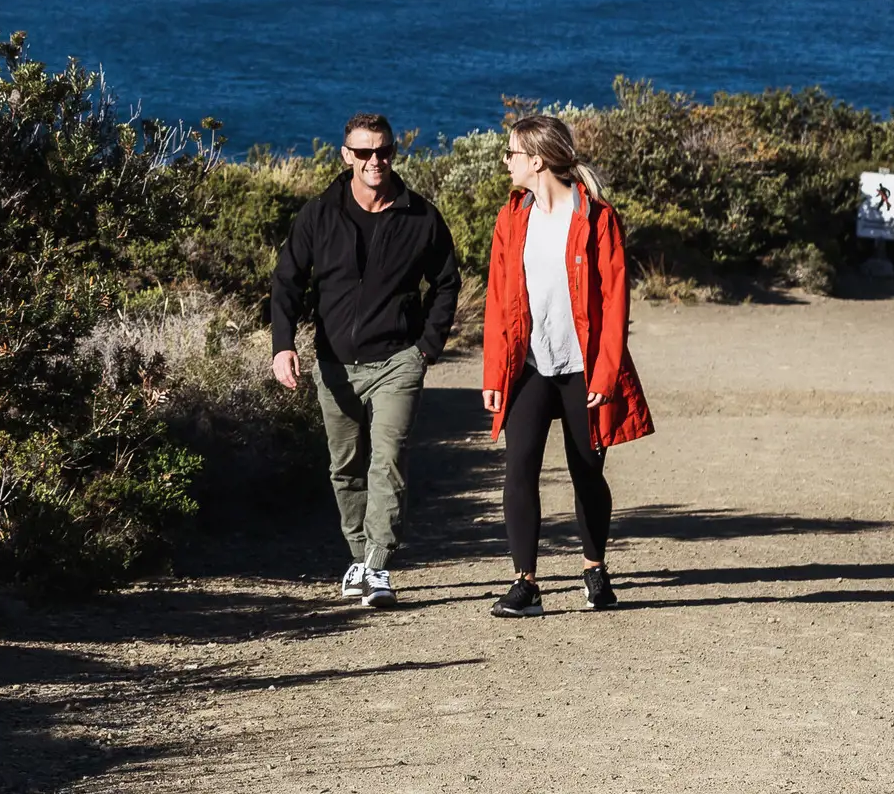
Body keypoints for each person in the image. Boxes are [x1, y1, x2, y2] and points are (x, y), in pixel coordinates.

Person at [269, 113, 462, 611]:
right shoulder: (319, 213)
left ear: (393, 152)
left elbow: (446, 282)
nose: (374, 161)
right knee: (344, 466)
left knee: (388, 460)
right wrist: (283, 344)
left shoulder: (421, 216)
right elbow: (287, 281)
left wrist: (427, 347)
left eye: (383, 151)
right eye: (363, 152)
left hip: (398, 359)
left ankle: (376, 566)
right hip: (334, 363)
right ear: (345, 155)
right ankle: (361, 562)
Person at [477, 110, 654, 618]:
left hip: (584, 369)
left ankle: (594, 569)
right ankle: (525, 584)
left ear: (536, 160)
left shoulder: (597, 217)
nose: (506, 161)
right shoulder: (512, 217)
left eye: (511, 153)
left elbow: (615, 302)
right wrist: (494, 373)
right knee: (519, 471)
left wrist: (604, 373)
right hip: (528, 366)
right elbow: (497, 299)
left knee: (587, 474)